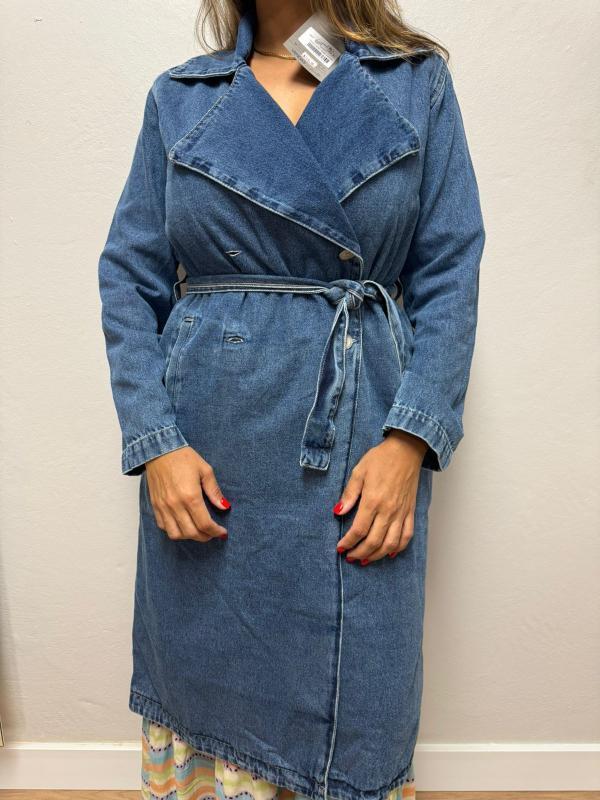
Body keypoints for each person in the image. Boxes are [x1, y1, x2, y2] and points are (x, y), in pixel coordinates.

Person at [97, 1, 486, 798]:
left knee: (361, 700)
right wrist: (156, 442)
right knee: (212, 678)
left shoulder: (413, 84)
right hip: (210, 447)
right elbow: (129, 278)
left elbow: (450, 271)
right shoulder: (183, 96)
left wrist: (410, 439)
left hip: (363, 433)